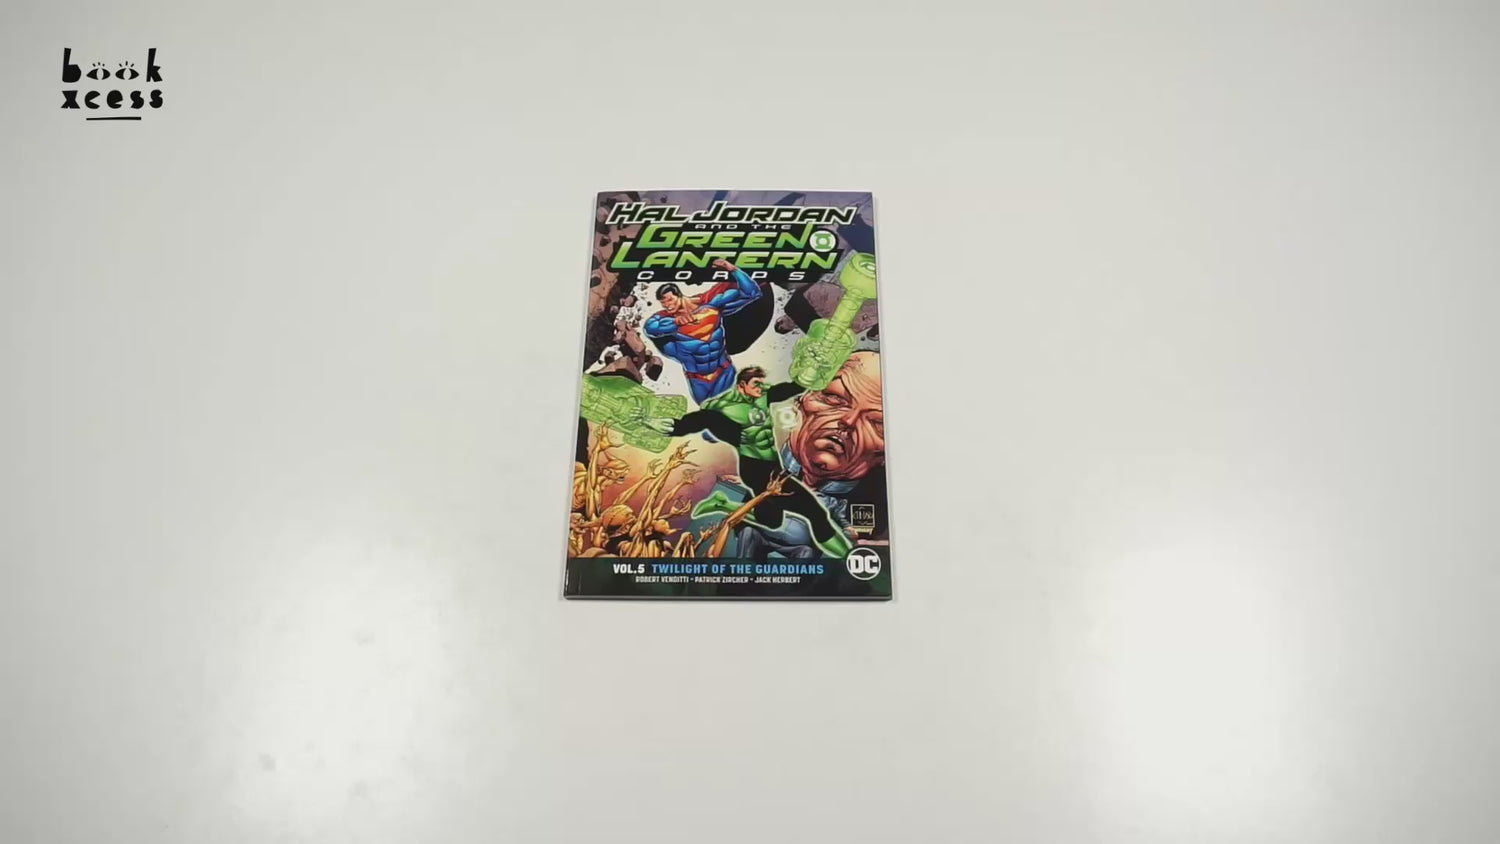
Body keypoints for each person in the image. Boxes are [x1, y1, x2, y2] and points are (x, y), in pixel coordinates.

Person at [643, 259, 762, 403]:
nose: (667, 305)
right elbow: (650, 328)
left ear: (679, 295)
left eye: (670, 300)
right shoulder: (665, 318)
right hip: (699, 381)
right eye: (663, 303)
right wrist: (675, 322)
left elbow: (752, 292)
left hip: (724, 372)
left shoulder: (710, 303)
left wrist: (732, 269)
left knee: (733, 409)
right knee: (709, 413)